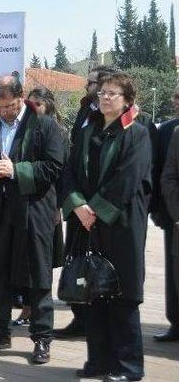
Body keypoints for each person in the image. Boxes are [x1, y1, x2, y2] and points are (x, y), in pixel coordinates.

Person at [0, 76, 64, 365]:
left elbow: (54, 166)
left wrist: (15, 170)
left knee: (37, 276)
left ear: (21, 98)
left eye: (9, 105)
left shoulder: (45, 125)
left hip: (33, 213)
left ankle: (42, 337)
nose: (4, 112)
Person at [63, 72, 149, 381]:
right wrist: (78, 205)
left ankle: (128, 367)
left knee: (122, 294)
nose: (106, 98)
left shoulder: (137, 134)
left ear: (127, 101)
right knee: (94, 293)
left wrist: (95, 210)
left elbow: (128, 178)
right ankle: (98, 362)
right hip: (88, 224)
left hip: (122, 224)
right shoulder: (87, 133)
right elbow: (69, 172)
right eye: (102, 93)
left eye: (113, 94)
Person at [11, 87, 67, 327]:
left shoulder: (56, 131)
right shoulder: (21, 129)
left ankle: (41, 322)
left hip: (45, 206)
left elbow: (60, 173)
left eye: (36, 105)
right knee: (22, 262)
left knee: (40, 266)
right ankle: (26, 308)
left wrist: (58, 207)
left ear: (48, 106)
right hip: (21, 207)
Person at [151, 84, 179, 342]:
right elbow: (160, 172)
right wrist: (160, 211)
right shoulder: (169, 130)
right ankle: (176, 322)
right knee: (174, 274)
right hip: (173, 213)